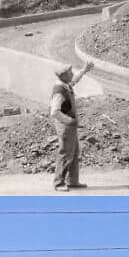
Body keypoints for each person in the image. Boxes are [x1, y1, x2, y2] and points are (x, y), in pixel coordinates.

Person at [50, 62, 94, 191]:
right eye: (70, 73)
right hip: (65, 126)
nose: (72, 74)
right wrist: (69, 121)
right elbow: (54, 112)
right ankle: (59, 183)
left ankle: (73, 181)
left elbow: (74, 80)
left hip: (70, 125)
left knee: (74, 152)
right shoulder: (59, 91)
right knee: (65, 153)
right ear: (63, 76)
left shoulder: (65, 85)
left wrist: (84, 70)